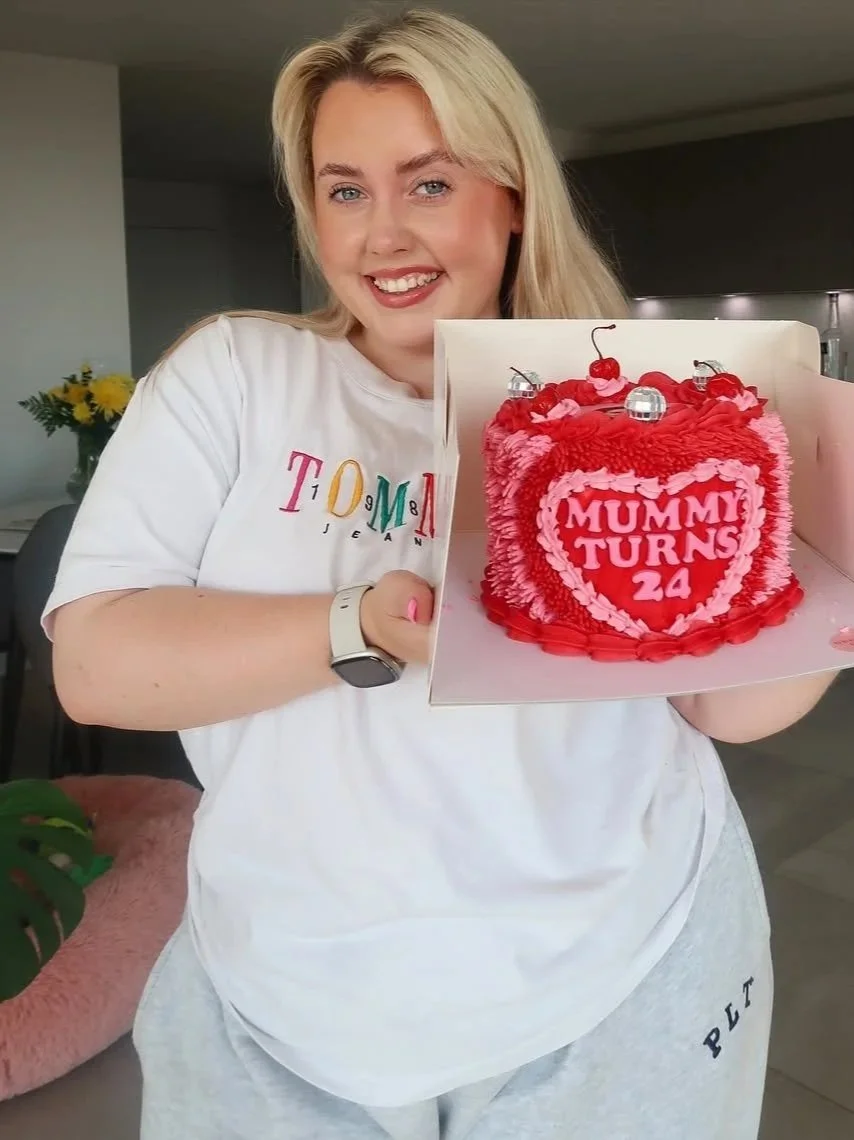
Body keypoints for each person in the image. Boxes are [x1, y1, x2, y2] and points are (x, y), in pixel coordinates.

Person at [45, 9, 837, 1139]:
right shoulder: (238, 372)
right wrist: (358, 622)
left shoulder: (630, 394)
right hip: (284, 1000)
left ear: (509, 195)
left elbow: (727, 702)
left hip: (618, 974)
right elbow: (95, 667)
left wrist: (828, 562)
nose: (381, 235)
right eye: (344, 189)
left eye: (428, 184)